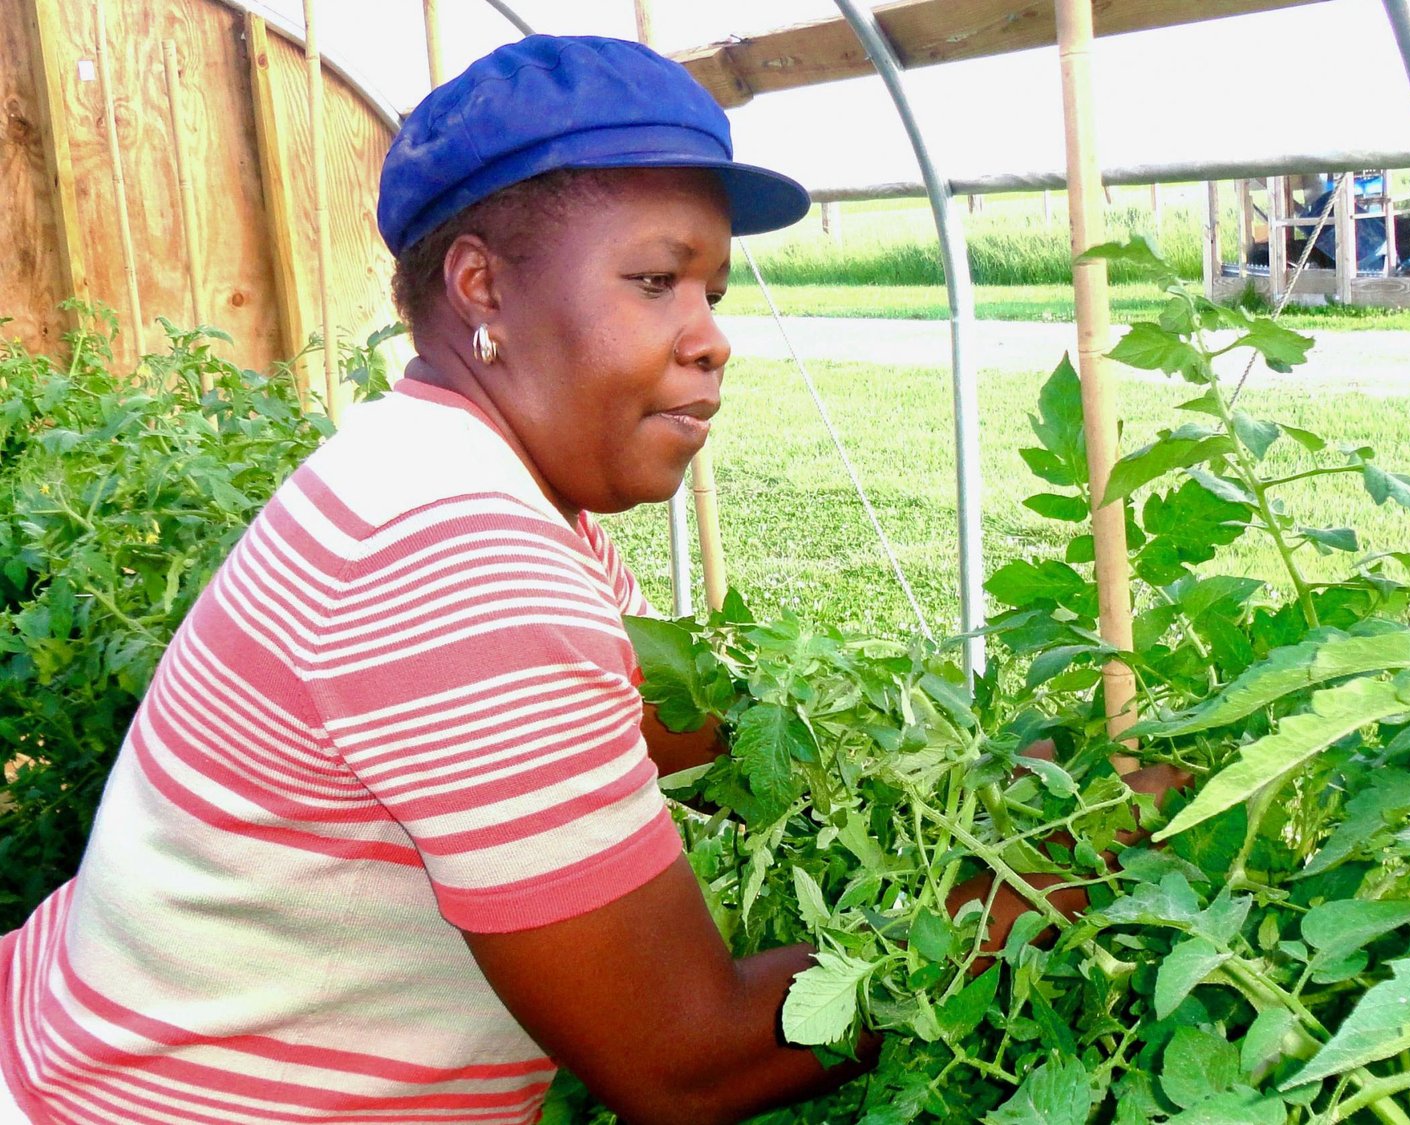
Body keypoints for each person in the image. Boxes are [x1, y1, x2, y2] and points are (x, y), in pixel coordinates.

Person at [0, 36, 865, 1125]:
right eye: (655, 281)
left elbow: (679, 715)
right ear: (478, 285)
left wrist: (883, 746)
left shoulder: (447, 470)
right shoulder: (461, 559)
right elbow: (686, 1062)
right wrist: (1031, 887)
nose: (711, 339)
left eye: (711, 289)